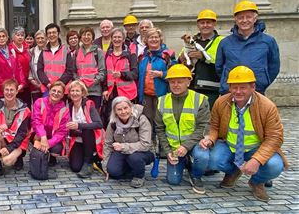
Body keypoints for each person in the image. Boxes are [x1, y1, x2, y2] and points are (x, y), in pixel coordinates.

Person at [195, 66, 287, 202]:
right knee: (212, 159)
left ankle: (256, 181)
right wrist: (210, 139)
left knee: (275, 165)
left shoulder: (267, 106)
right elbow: (214, 126)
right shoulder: (221, 102)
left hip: (255, 148)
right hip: (230, 146)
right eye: (234, 87)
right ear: (229, 87)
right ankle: (233, 172)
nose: (238, 92)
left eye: (243, 87)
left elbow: (275, 137)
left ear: (253, 87)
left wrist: (257, 160)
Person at [155, 64, 210, 194]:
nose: (176, 85)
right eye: (172, 82)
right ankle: (185, 162)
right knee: (173, 180)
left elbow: (203, 126)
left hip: (195, 144)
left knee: (202, 156)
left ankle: (196, 175)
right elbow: (160, 129)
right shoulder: (162, 101)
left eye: (180, 82)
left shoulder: (200, 99)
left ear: (188, 81)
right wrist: (167, 151)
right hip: (174, 148)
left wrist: (186, 146)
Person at [216, 0, 280, 95]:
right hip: (230, 92)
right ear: (235, 20)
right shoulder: (225, 43)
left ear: (255, 19)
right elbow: (219, 68)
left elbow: (274, 67)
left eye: (248, 17)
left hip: (257, 91)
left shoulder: (268, 41)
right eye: (241, 17)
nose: (244, 20)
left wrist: (262, 82)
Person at [102, 97, 153, 188]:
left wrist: (123, 146)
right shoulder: (113, 123)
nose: (123, 112)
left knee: (134, 158)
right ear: (115, 111)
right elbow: (108, 144)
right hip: (122, 152)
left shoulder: (141, 119)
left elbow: (145, 144)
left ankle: (139, 176)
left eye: (126, 108)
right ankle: (130, 168)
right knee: (113, 171)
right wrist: (105, 165)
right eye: (119, 109)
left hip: (142, 152)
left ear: (131, 107)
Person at [178, 9, 224, 108]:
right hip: (191, 87)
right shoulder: (192, 40)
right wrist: (182, 59)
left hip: (210, 89)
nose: (205, 25)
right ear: (198, 25)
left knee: (207, 120)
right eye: (202, 23)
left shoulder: (221, 40)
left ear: (214, 24)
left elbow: (223, 61)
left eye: (208, 22)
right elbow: (181, 58)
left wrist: (203, 57)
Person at [0, 79, 31, 181]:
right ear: (3, 91)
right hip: (4, 137)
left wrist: (9, 148)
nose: (9, 92)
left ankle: (18, 157)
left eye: (12, 90)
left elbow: (22, 134)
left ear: (17, 91)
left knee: (7, 161)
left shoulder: (25, 109)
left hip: (18, 142)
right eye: (6, 90)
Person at [66, 80, 104, 178]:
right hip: (77, 140)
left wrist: (79, 126)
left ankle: (89, 162)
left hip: (90, 139)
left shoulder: (88, 104)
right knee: (75, 167)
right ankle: (89, 157)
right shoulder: (69, 107)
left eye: (77, 91)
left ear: (83, 93)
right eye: (72, 91)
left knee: (87, 129)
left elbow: (99, 124)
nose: (74, 93)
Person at [137, 28, 174, 124]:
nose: (153, 39)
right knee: (146, 120)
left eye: (156, 37)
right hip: (145, 95)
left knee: (161, 120)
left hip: (162, 94)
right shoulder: (142, 56)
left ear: (160, 39)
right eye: (150, 37)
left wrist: (161, 74)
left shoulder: (167, 55)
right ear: (146, 40)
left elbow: (175, 74)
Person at [31, 81, 70, 173]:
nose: (56, 93)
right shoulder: (39, 102)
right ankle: (39, 154)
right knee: (37, 138)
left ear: (62, 95)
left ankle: (52, 156)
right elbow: (36, 121)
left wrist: (49, 143)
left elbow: (62, 132)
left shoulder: (64, 110)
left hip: (54, 137)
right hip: (39, 134)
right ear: (49, 91)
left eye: (59, 92)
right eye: (54, 90)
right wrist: (43, 136)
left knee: (56, 149)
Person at [0, 28, 25, 102]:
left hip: (14, 89)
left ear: (7, 38)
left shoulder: (12, 49)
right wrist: (6, 88)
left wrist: (22, 83)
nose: (1, 38)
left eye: (3, 36)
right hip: (2, 90)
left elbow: (19, 67)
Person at [37, 23, 76, 95]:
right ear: (46, 35)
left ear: (58, 34)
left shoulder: (66, 50)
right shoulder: (43, 51)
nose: (51, 35)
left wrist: (58, 85)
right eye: (49, 33)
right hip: (47, 89)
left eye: (54, 32)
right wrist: (47, 83)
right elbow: (40, 70)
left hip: (62, 90)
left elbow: (70, 71)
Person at [102, 28, 138, 104]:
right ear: (111, 39)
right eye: (114, 37)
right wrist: (105, 89)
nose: (116, 39)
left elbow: (135, 74)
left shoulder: (130, 54)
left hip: (127, 93)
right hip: (111, 92)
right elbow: (105, 73)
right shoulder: (107, 55)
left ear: (123, 39)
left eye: (119, 37)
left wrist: (121, 74)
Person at [74, 27, 106, 109]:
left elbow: (102, 71)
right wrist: (79, 82)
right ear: (80, 38)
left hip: (95, 91)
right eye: (84, 35)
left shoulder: (98, 51)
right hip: (81, 91)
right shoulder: (76, 52)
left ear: (92, 37)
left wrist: (94, 81)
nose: (86, 37)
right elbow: (74, 71)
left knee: (94, 116)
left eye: (89, 35)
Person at [9, 27, 32, 106]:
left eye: (22, 35)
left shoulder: (27, 49)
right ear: (13, 37)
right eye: (17, 35)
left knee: (27, 106)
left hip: (27, 82)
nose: (20, 37)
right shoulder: (10, 49)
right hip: (16, 83)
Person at [29, 30, 47, 103]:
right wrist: (32, 81)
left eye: (42, 38)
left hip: (47, 85)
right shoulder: (31, 51)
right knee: (37, 108)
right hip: (36, 85)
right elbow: (29, 67)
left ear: (46, 39)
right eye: (38, 38)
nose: (40, 40)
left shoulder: (49, 50)